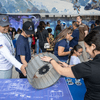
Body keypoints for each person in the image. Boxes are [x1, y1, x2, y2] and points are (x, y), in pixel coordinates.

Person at [41, 30, 100, 100]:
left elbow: (61, 71)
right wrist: (68, 66)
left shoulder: (90, 66)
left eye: (86, 48)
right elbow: (84, 68)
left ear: (93, 46)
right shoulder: (91, 65)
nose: (86, 51)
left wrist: (51, 60)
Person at [0, 15, 26, 79]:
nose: (6, 27)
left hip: (8, 66)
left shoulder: (5, 33)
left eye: (7, 25)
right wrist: (20, 66)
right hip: (3, 69)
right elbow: (7, 55)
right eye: (3, 26)